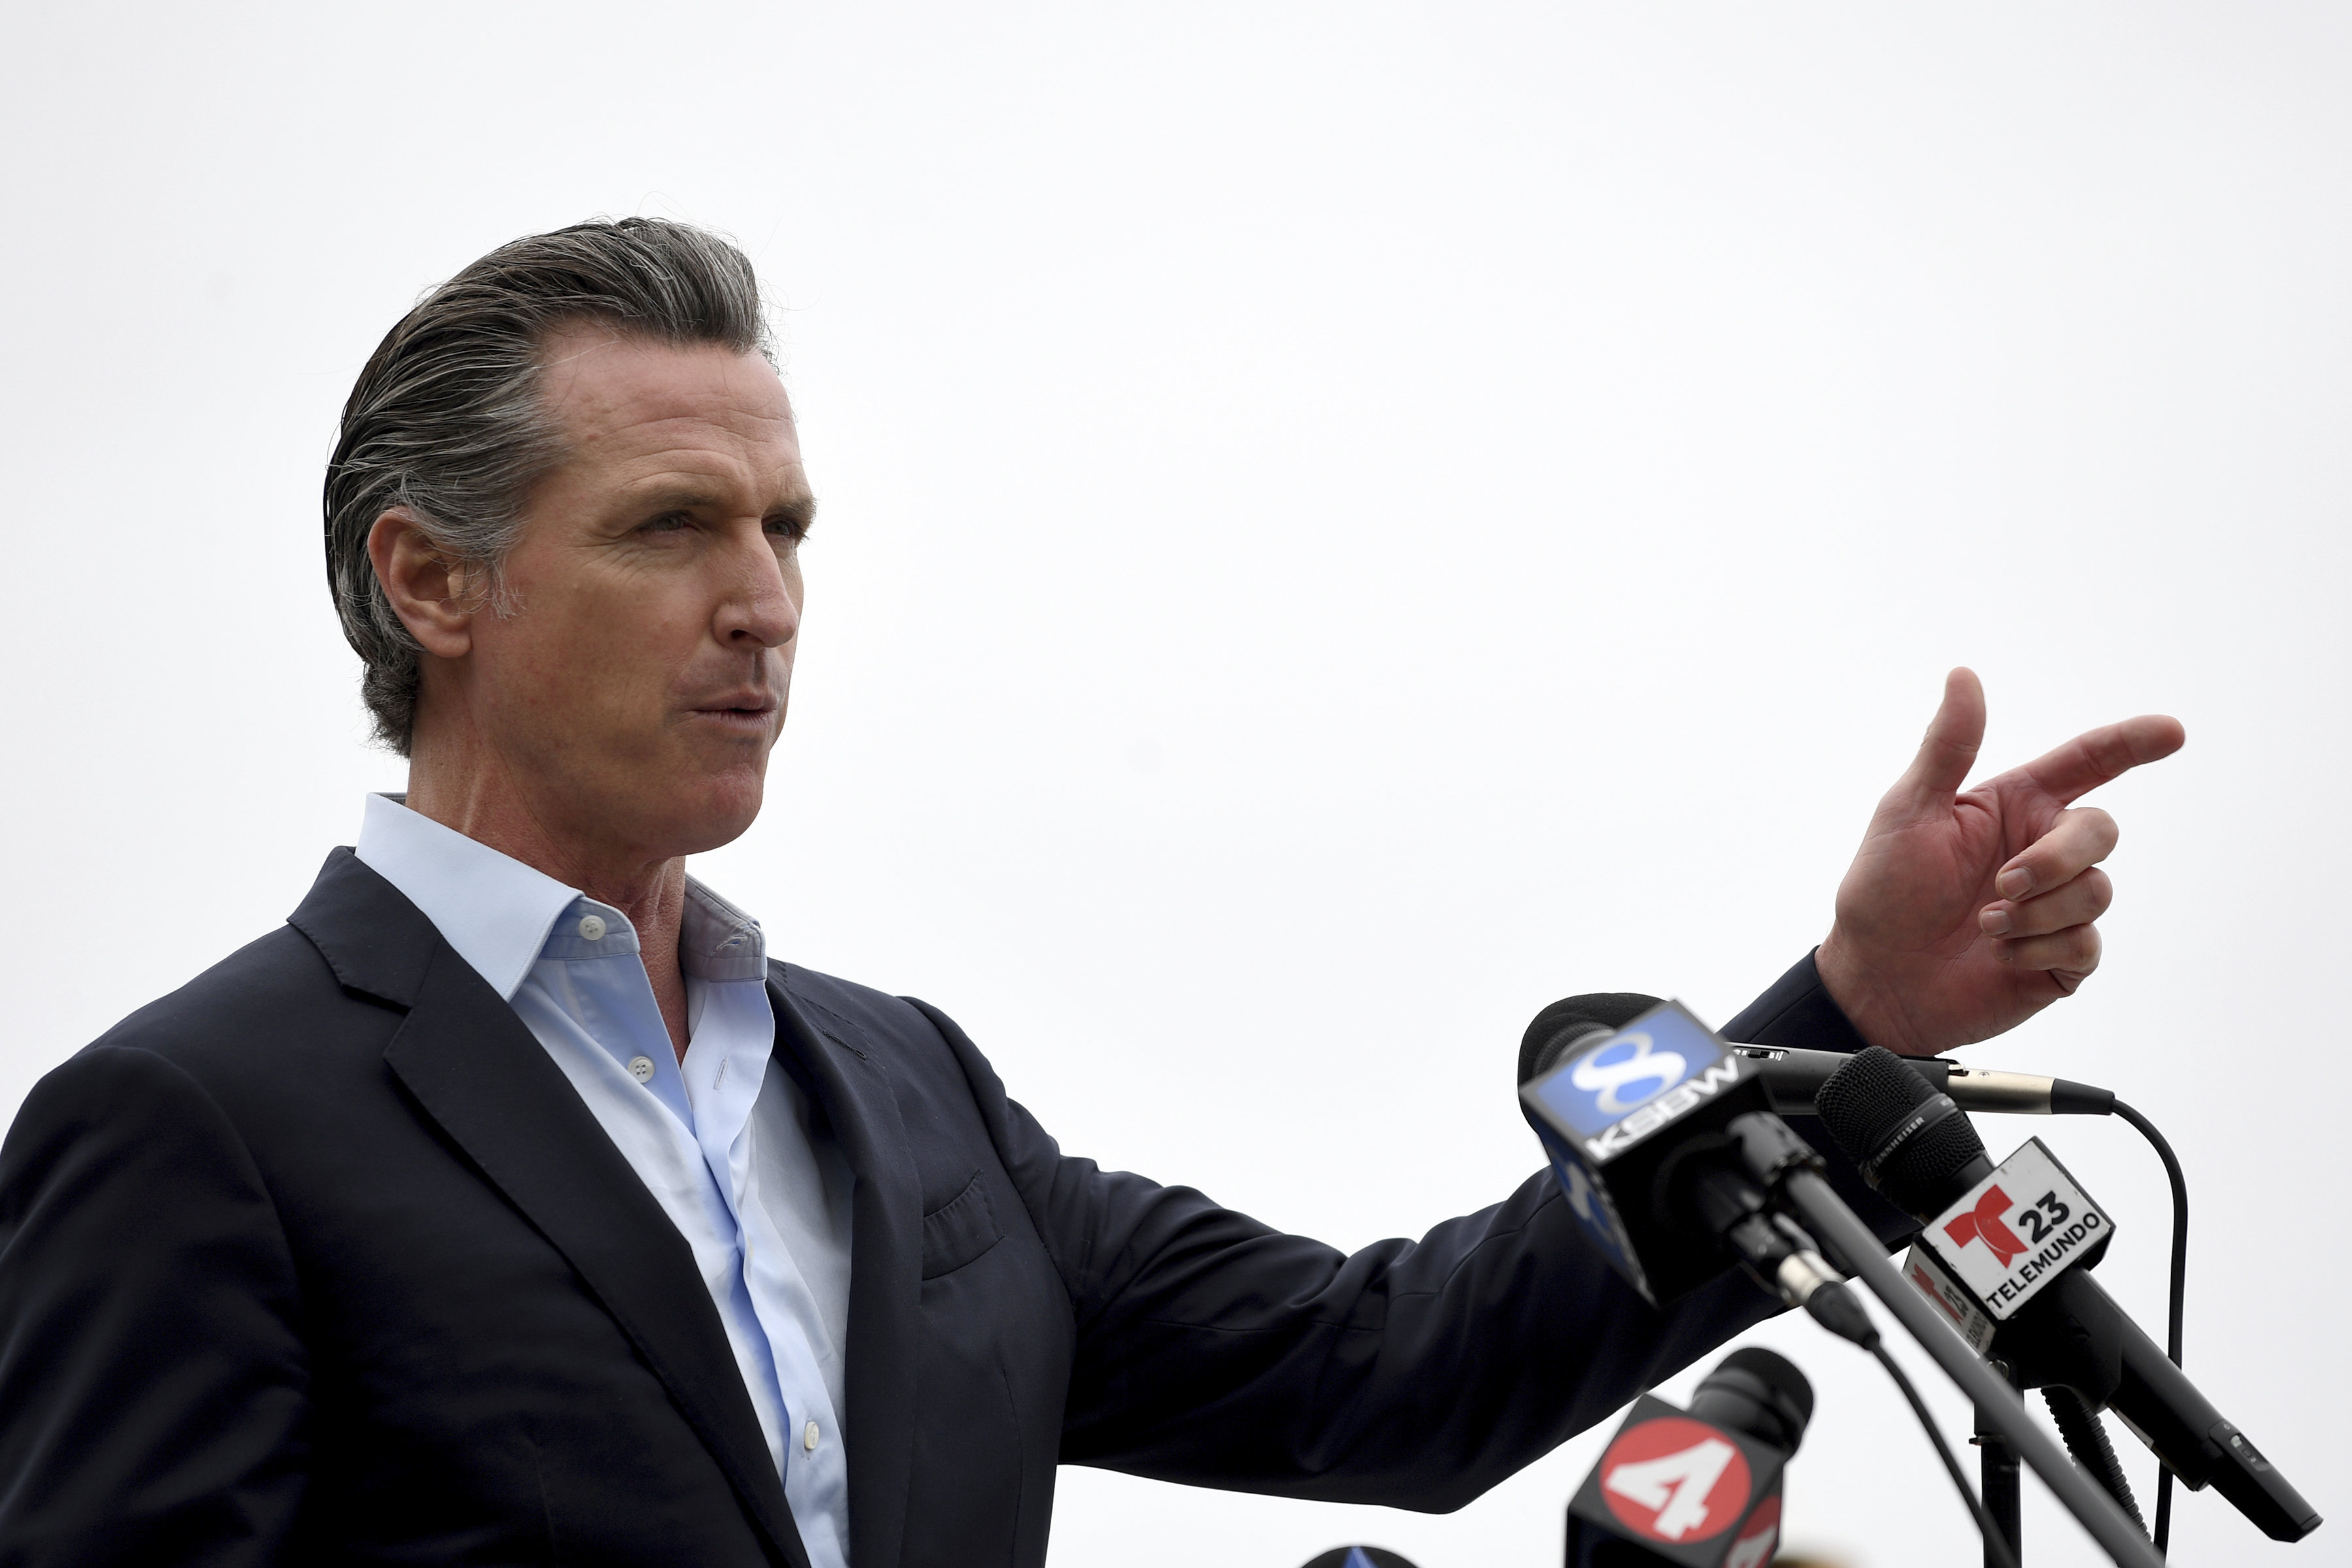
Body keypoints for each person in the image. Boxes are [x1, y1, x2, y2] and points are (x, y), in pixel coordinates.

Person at [0, 219, 2182, 1568]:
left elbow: (1394, 1375)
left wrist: (1852, 1007)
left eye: (788, 528)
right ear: (431, 583)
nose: (766, 601)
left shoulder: (903, 1088)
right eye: (673, 527)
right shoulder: (197, 1128)